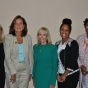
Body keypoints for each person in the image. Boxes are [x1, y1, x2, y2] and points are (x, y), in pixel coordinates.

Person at [4, 15, 33, 88]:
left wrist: (30, 72)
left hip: (25, 71)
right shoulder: (8, 38)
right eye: (16, 23)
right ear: (13, 26)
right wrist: (13, 72)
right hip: (12, 71)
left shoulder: (28, 38)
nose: (18, 25)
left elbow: (30, 56)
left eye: (20, 23)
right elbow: (7, 57)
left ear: (24, 26)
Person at [55, 18, 79, 88]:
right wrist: (57, 75)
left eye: (66, 30)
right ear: (60, 30)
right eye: (62, 30)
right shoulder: (57, 44)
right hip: (60, 74)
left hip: (71, 75)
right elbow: (55, 60)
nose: (64, 32)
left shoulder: (73, 43)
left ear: (69, 32)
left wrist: (65, 74)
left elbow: (73, 60)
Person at [77, 18, 88, 88]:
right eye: (87, 25)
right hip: (82, 74)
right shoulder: (79, 38)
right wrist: (80, 66)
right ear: (85, 26)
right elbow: (76, 55)